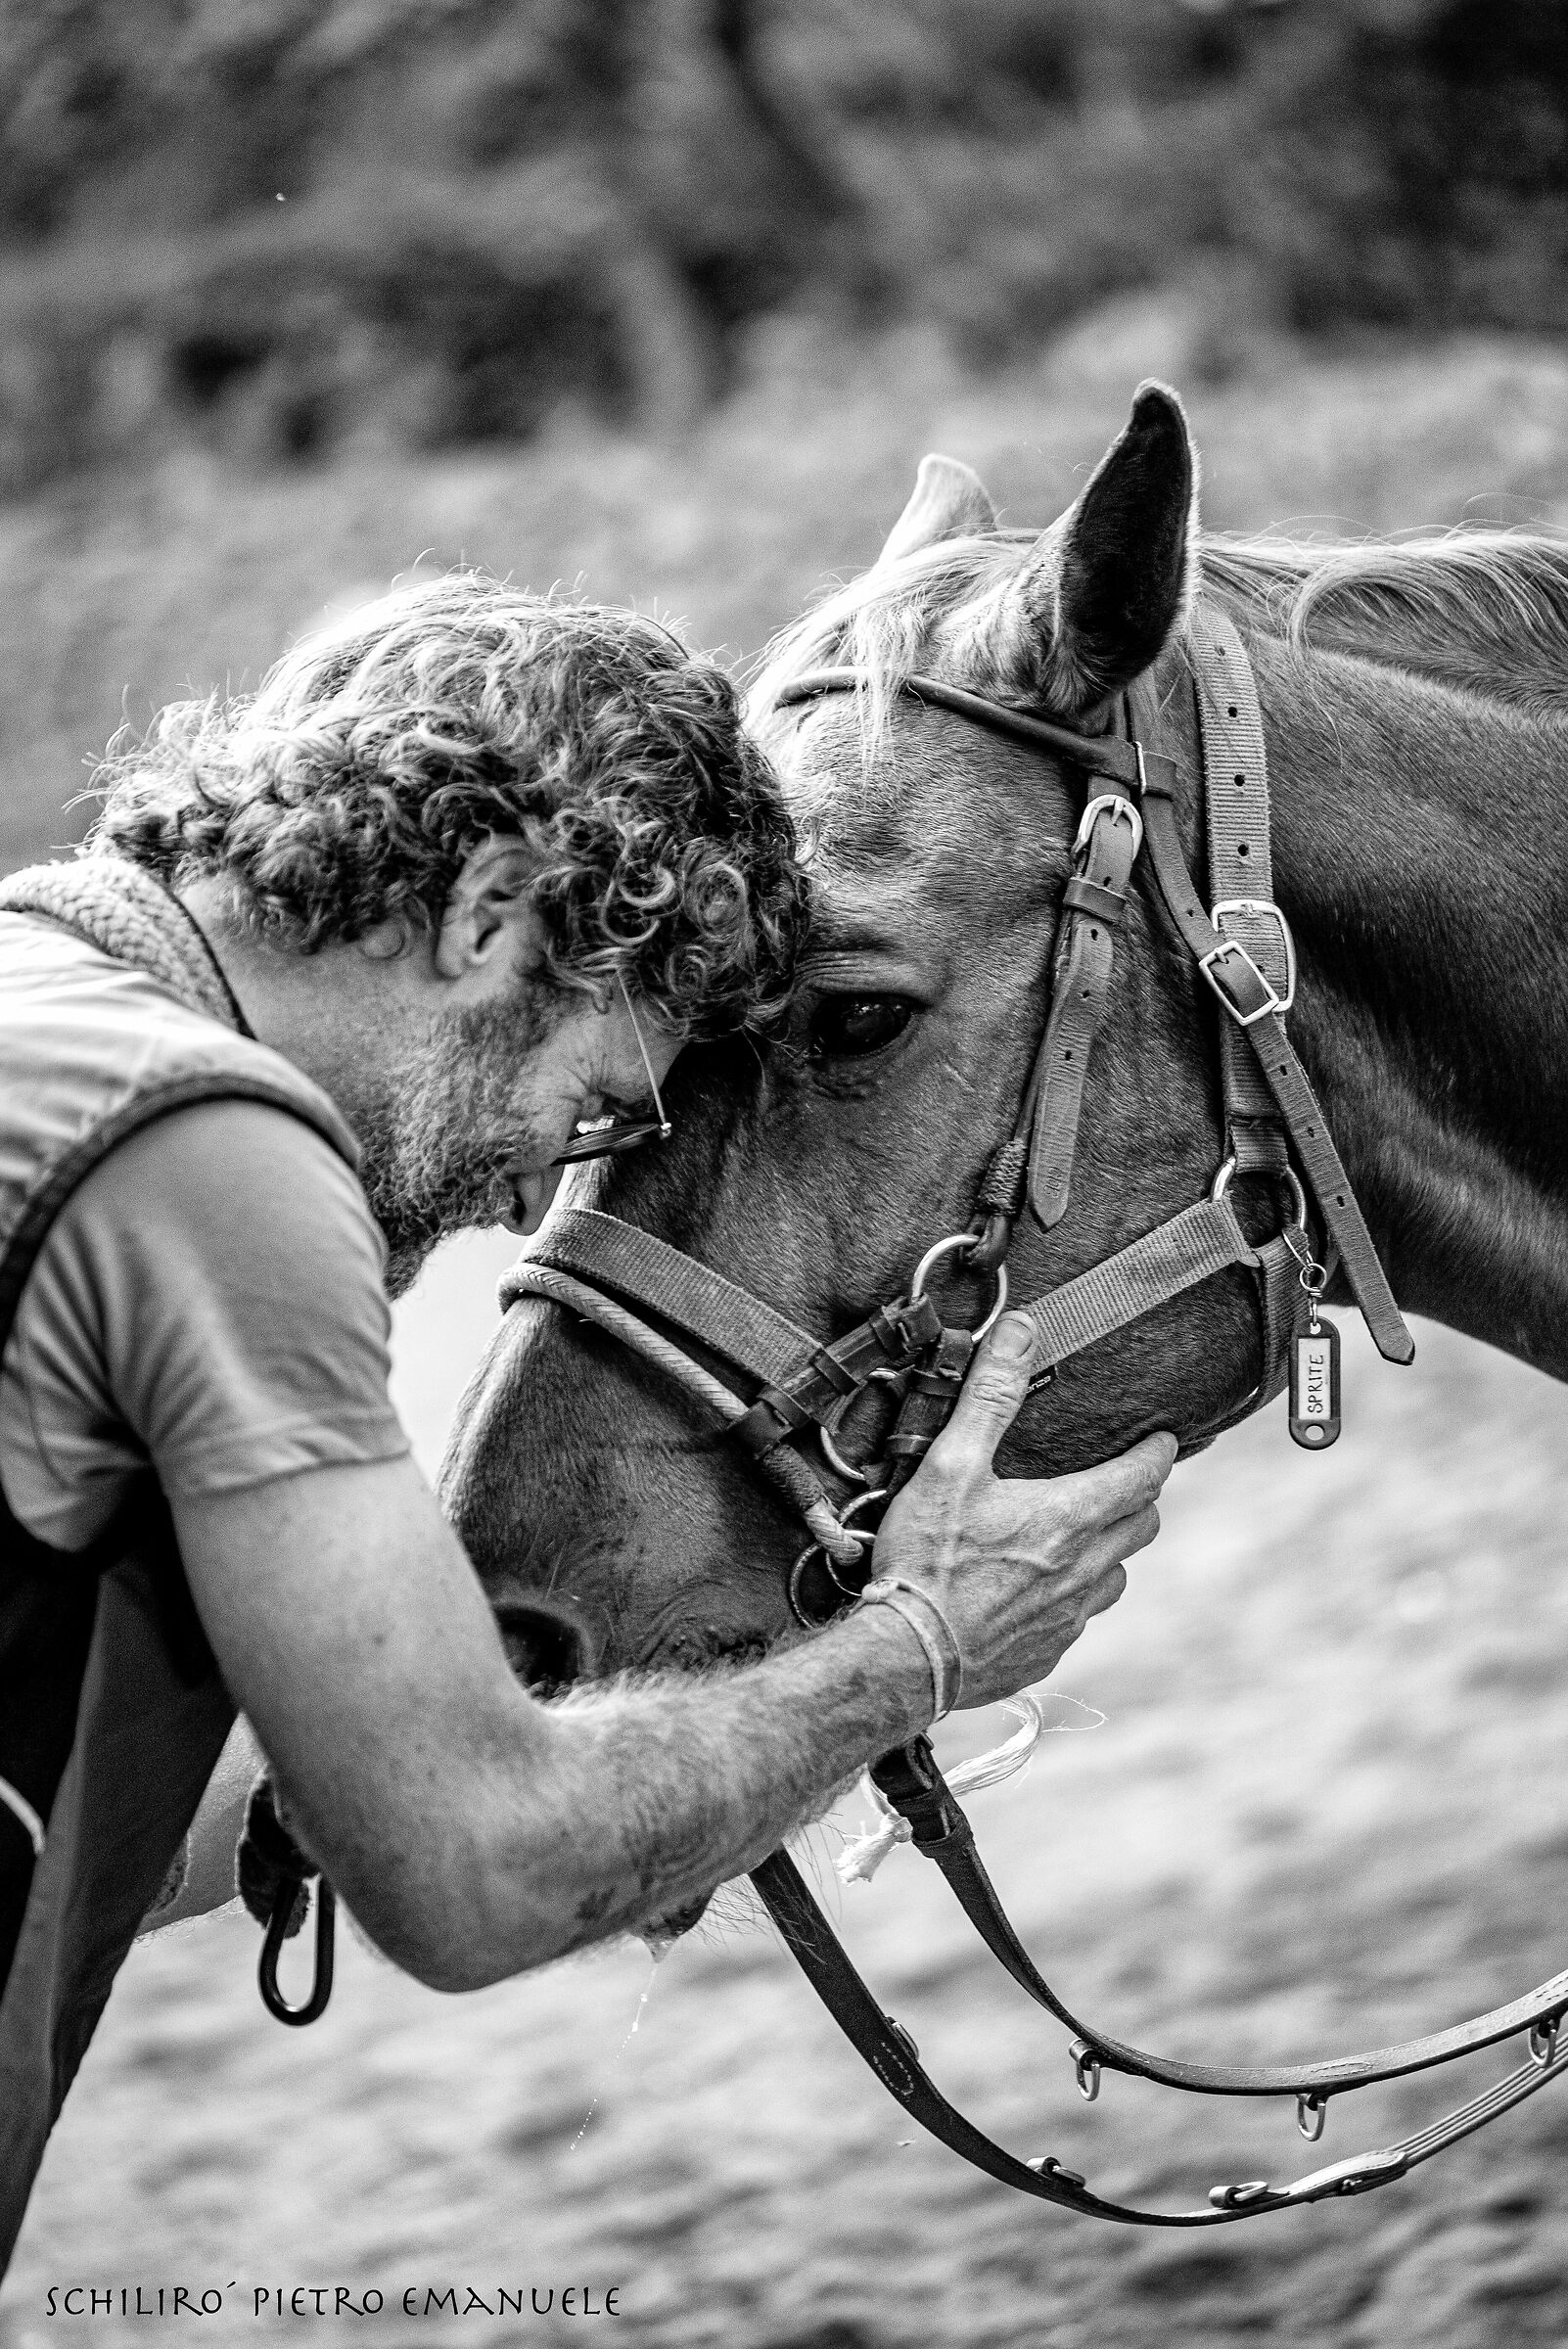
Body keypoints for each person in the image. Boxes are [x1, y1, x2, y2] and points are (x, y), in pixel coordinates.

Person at [0, 574, 1176, 2261]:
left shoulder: (39, 1007)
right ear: (487, 911)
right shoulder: (202, 1151)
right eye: (590, 1109)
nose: (511, 1204)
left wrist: (345, 1766)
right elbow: (479, 1882)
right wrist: (922, 1646)